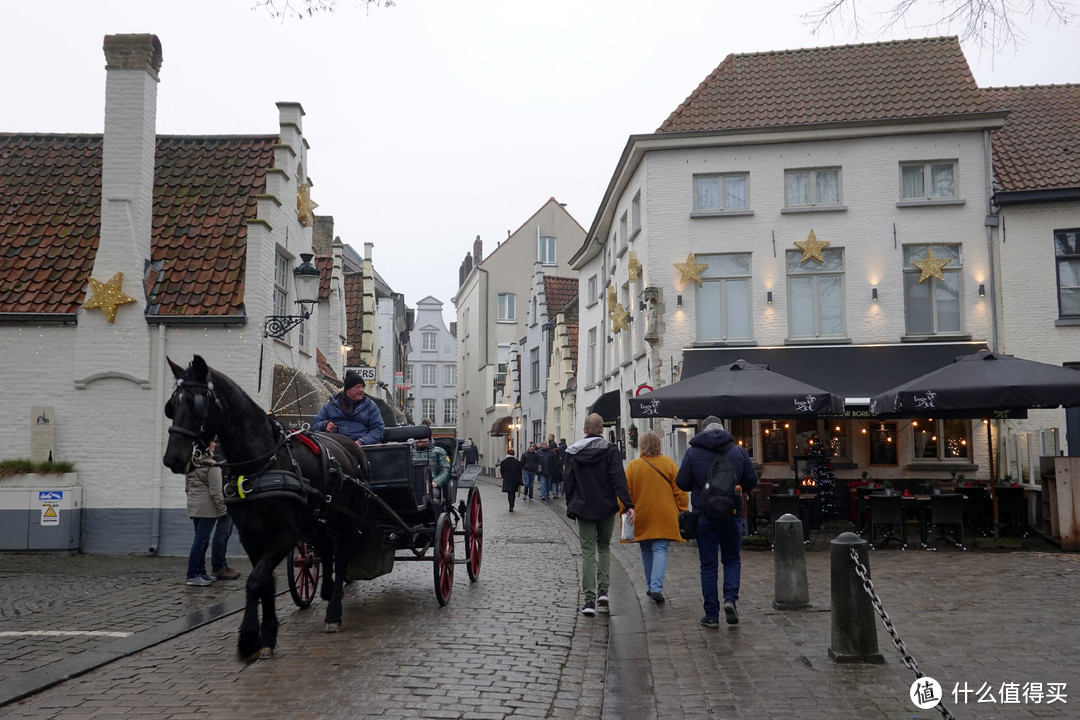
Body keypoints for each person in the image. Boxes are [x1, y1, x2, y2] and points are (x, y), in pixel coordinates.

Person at [676, 415, 757, 627]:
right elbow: (751, 480)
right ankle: (730, 599)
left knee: (708, 566)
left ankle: (711, 615)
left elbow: (681, 482)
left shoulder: (693, 452)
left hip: (704, 515)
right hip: (731, 513)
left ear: (703, 430)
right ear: (722, 429)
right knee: (731, 559)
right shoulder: (738, 451)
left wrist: (699, 484)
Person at [564, 413, 635, 616]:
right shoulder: (610, 451)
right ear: (602, 430)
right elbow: (618, 478)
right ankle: (603, 590)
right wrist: (628, 504)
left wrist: (571, 503)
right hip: (606, 506)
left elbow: (568, 480)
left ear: (584, 430)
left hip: (583, 507)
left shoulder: (573, 452)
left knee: (588, 551)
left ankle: (588, 601)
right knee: (604, 547)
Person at [622, 430, 688, 604]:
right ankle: (656, 587)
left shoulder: (634, 466)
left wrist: (624, 509)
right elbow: (679, 489)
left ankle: (651, 586)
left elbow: (625, 492)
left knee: (646, 550)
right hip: (664, 514)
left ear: (641, 446)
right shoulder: (668, 463)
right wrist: (682, 508)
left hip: (642, 514)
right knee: (660, 549)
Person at [184, 440, 239, 585]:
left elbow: (187, 488)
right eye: (211, 444)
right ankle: (192, 574)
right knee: (200, 542)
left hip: (194, 507)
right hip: (207, 509)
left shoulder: (191, 463)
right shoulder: (213, 466)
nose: (214, 445)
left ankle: (202, 572)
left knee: (201, 540)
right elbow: (215, 492)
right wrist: (222, 510)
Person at [312, 370, 385, 445]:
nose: (361, 390)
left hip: (362, 447)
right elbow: (315, 425)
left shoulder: (370, 406)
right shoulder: (331, 405)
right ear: (347, 389)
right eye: (357, 387)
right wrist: (325, 425)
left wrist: (362, 442)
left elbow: (378, 429)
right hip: (335, 445)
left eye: (362, 387)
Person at [413, 432, 451, 503]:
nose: (418, 440)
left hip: (431, 486)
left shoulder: (440, 451)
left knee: (431, 494)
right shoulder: (410, 451)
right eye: (416, 438)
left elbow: (446, 469)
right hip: (413, 485)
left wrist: (436, 481)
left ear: (428, 438)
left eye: (421, 438)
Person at [498, 447, 524, 512]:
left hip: (507, 479)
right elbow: (520, 472)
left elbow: (502, 471)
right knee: (513, 492)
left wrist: (504, 476)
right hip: (515, 479)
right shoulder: (517, 462)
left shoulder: (504, 462)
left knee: (509, 493)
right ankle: (512, 505)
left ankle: (510, 506)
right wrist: (520, 480)